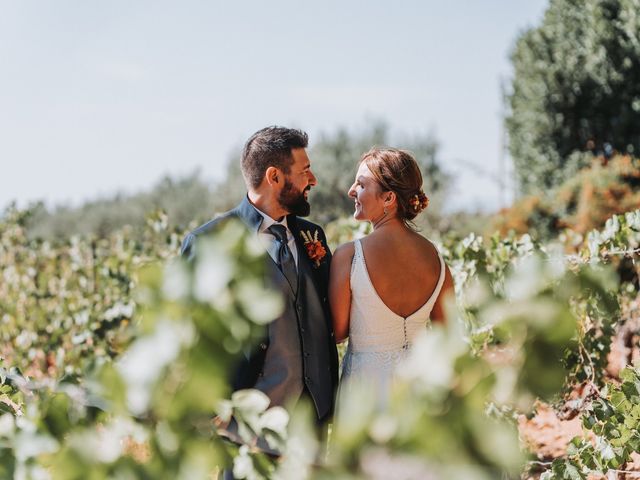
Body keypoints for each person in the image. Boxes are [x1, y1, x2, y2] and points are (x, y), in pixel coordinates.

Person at [181, 126, 339, 442]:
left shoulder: (313, 237)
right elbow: (186, 330)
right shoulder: (209, 242)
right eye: (305, 170)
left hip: (310, 425)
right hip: (245, 425)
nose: (314, 180)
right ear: (274, 177)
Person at [329, 147, 454, 405]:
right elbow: (447, 335)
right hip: (420, 392)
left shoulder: (350, 256)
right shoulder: (436, 259)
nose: (351, 191)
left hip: (365, 395)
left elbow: (338, 332)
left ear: (388, 198)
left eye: (361, 184)